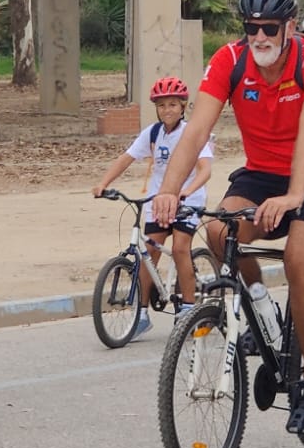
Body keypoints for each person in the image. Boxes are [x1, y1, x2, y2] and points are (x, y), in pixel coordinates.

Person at [151, 0, 304, 435]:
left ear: (290, 26)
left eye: (269, 28)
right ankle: (261, 309)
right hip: (264, 171)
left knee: (300, 259)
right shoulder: (230, 60)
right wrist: (169, 189)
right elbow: (196, 130)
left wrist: (294, 198)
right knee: (220, 232)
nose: (259, 37)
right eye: (251, 27)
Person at [91, 76, 214, 337]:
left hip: (187, 201)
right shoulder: (153, 133)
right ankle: (141, 313)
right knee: (147, 253)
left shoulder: (192, 133)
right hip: (158, 201)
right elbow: (126, 158)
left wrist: (186, 191)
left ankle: (188, 311)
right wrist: (103, 183)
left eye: (172, 104)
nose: (167, 110)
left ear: (183, 106)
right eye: (161, 105)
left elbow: (205, 170)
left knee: (180, 248)